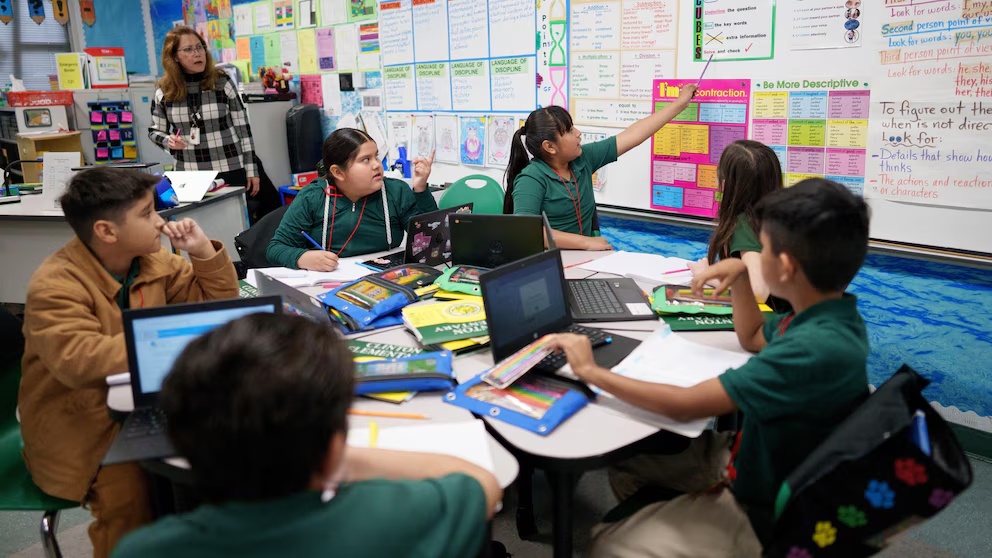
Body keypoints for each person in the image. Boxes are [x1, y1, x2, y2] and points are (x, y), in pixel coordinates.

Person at [548, 178, 871, 556]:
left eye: (761, 249)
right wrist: (739, 277)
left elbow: (685, 404)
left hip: (769, 506)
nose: (754, 256)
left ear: (785, 267)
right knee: (632, 461)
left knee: (608, 543)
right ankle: (676, 517)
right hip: (759, 456)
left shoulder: (813, 349)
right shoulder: (828, 316)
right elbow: (751, 336)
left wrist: (591, 371)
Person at [112, 313, 502, 558]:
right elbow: (482, 483)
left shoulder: (142, 549)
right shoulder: (396, 516)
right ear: (332, 443)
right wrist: (344, 457)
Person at [18, 167, 239, 558]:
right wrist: (177, 339)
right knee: (132, 508)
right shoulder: (55, 285)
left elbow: (217, 312)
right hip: (83, 423)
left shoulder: (156, 262)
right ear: (106, 231)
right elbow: (79, 361)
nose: (160, 221)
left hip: (149, 402)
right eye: (146, 213)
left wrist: (203, 252)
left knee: (226, 469)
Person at [504, 84, 698, 250]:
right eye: (570, 131)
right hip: (551, 261)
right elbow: (528, 232)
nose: (578, 133)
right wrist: (586, 243)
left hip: (587, 257)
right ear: (550, 147)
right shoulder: (531, 179)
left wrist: (680, 103)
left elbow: (634, 135)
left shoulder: (583, 158)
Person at [148, 27, 280, 222]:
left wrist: (252, 170)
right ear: (174, 56)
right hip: (191, 175)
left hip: (231, 169)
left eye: (200, 47)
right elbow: (154, 131)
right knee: (207, 225)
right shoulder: (164, 91)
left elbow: (243, 130)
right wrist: (168, 140)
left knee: (247, 221)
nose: (197, 53)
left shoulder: (221, 82)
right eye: (189, 49)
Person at [267, 128, 438, 271]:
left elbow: (432, 241)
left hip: (383, 277)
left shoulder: (395, 191)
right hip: (330, 281)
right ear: (338, 172)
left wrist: (421, 189)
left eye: (376, 156)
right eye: (365, 160)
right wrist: (302, 258)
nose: (377, 165)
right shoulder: (313, 197)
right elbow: (276, 248)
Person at [687, 139, 783, 305]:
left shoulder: (746, 224)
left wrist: (707, 276)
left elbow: (757, 291)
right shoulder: (778, 215)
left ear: (725, 184)